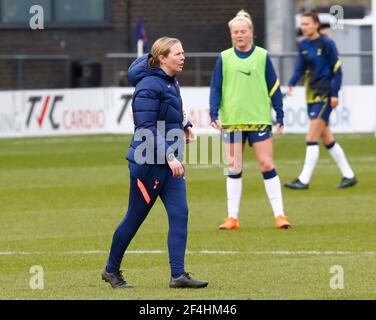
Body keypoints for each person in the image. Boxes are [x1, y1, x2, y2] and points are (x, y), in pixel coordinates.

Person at [101, 37, 208, 289]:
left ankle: (178, 276)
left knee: (180, 213)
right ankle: (111, 270)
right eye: (178, 54)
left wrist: (186, 127)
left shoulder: (171, 81)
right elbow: (145, 128)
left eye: (183, 52)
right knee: (134, 218)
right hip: (147, 163)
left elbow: (173, 111)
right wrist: (170, 157)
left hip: (169, 162)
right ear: (162, 58)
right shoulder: (149, 85)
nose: (184, 57)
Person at [210, 10, 291, 230]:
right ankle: (232, 218)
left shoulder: (262, 56)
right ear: (231, 34)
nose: (239, 35)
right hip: (233, 120)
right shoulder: (224, 57)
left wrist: (279, 114)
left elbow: (274, 88)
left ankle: (280, 215)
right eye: (235, 32)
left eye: (243, 31)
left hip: (259, 119)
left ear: (251, 32)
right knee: (234, 166)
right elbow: (216, 87)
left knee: (266, 163)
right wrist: (213, 112)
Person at [284, 10, 357, 190]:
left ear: (316, 24)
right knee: (326, 138)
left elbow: (337, 70)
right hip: (311, 95)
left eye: (307, 23)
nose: (304, 27)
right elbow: (299, 69)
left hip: (325, 94)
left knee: (311, 137)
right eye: (302, 24)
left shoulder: (327, 43)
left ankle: (303, 180)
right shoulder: (303, 45)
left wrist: (334, 94)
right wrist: (291, 84)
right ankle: (349, 175)